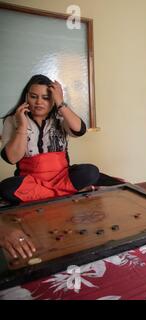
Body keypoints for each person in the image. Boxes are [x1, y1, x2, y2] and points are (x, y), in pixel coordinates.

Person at [0, 74, 100, 260]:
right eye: (33, 96)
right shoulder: (12, 120)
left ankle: (52, 193)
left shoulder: (61, 116)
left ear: (53, 99)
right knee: (7, 187)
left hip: (60, 177)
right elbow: (12, 158)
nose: (39, 102)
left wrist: (61, 104)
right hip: (32, 182)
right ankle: (62, 193)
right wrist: (22, 126)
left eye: (46, 97)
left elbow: (80, 130)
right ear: (26, 97)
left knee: (91, 172)